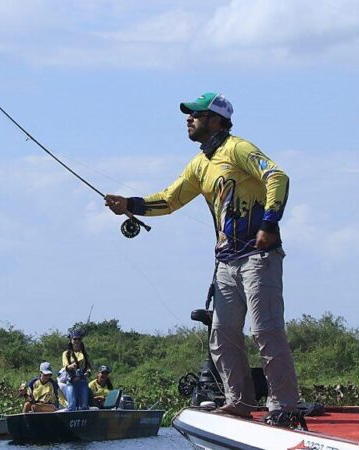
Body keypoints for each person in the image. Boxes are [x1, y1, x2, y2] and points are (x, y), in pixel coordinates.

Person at [104, 92, 299, 419]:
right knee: (222, 336)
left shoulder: (237, 148)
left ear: (217, 119)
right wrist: (130, 205)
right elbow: (169, 200)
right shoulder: (199, 164)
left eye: (196, 114)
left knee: (265, 331)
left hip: (257, 256)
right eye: (189, 115)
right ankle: (241, 403)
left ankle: (283, 406)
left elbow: (277, 177)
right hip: (225, 261)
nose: (189, 119)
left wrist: (269, 223)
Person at [61, 330, 92, 410]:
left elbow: (88, 368)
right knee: (72, 405)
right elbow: (65, 366)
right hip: (71, 381)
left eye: (79, 339)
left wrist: (87, 373)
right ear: (71, 340)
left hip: (82, 381)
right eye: (75, 339)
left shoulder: (84, 354)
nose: (77, 341)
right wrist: (71, 366)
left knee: (84, 405)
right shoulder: (66, 353)